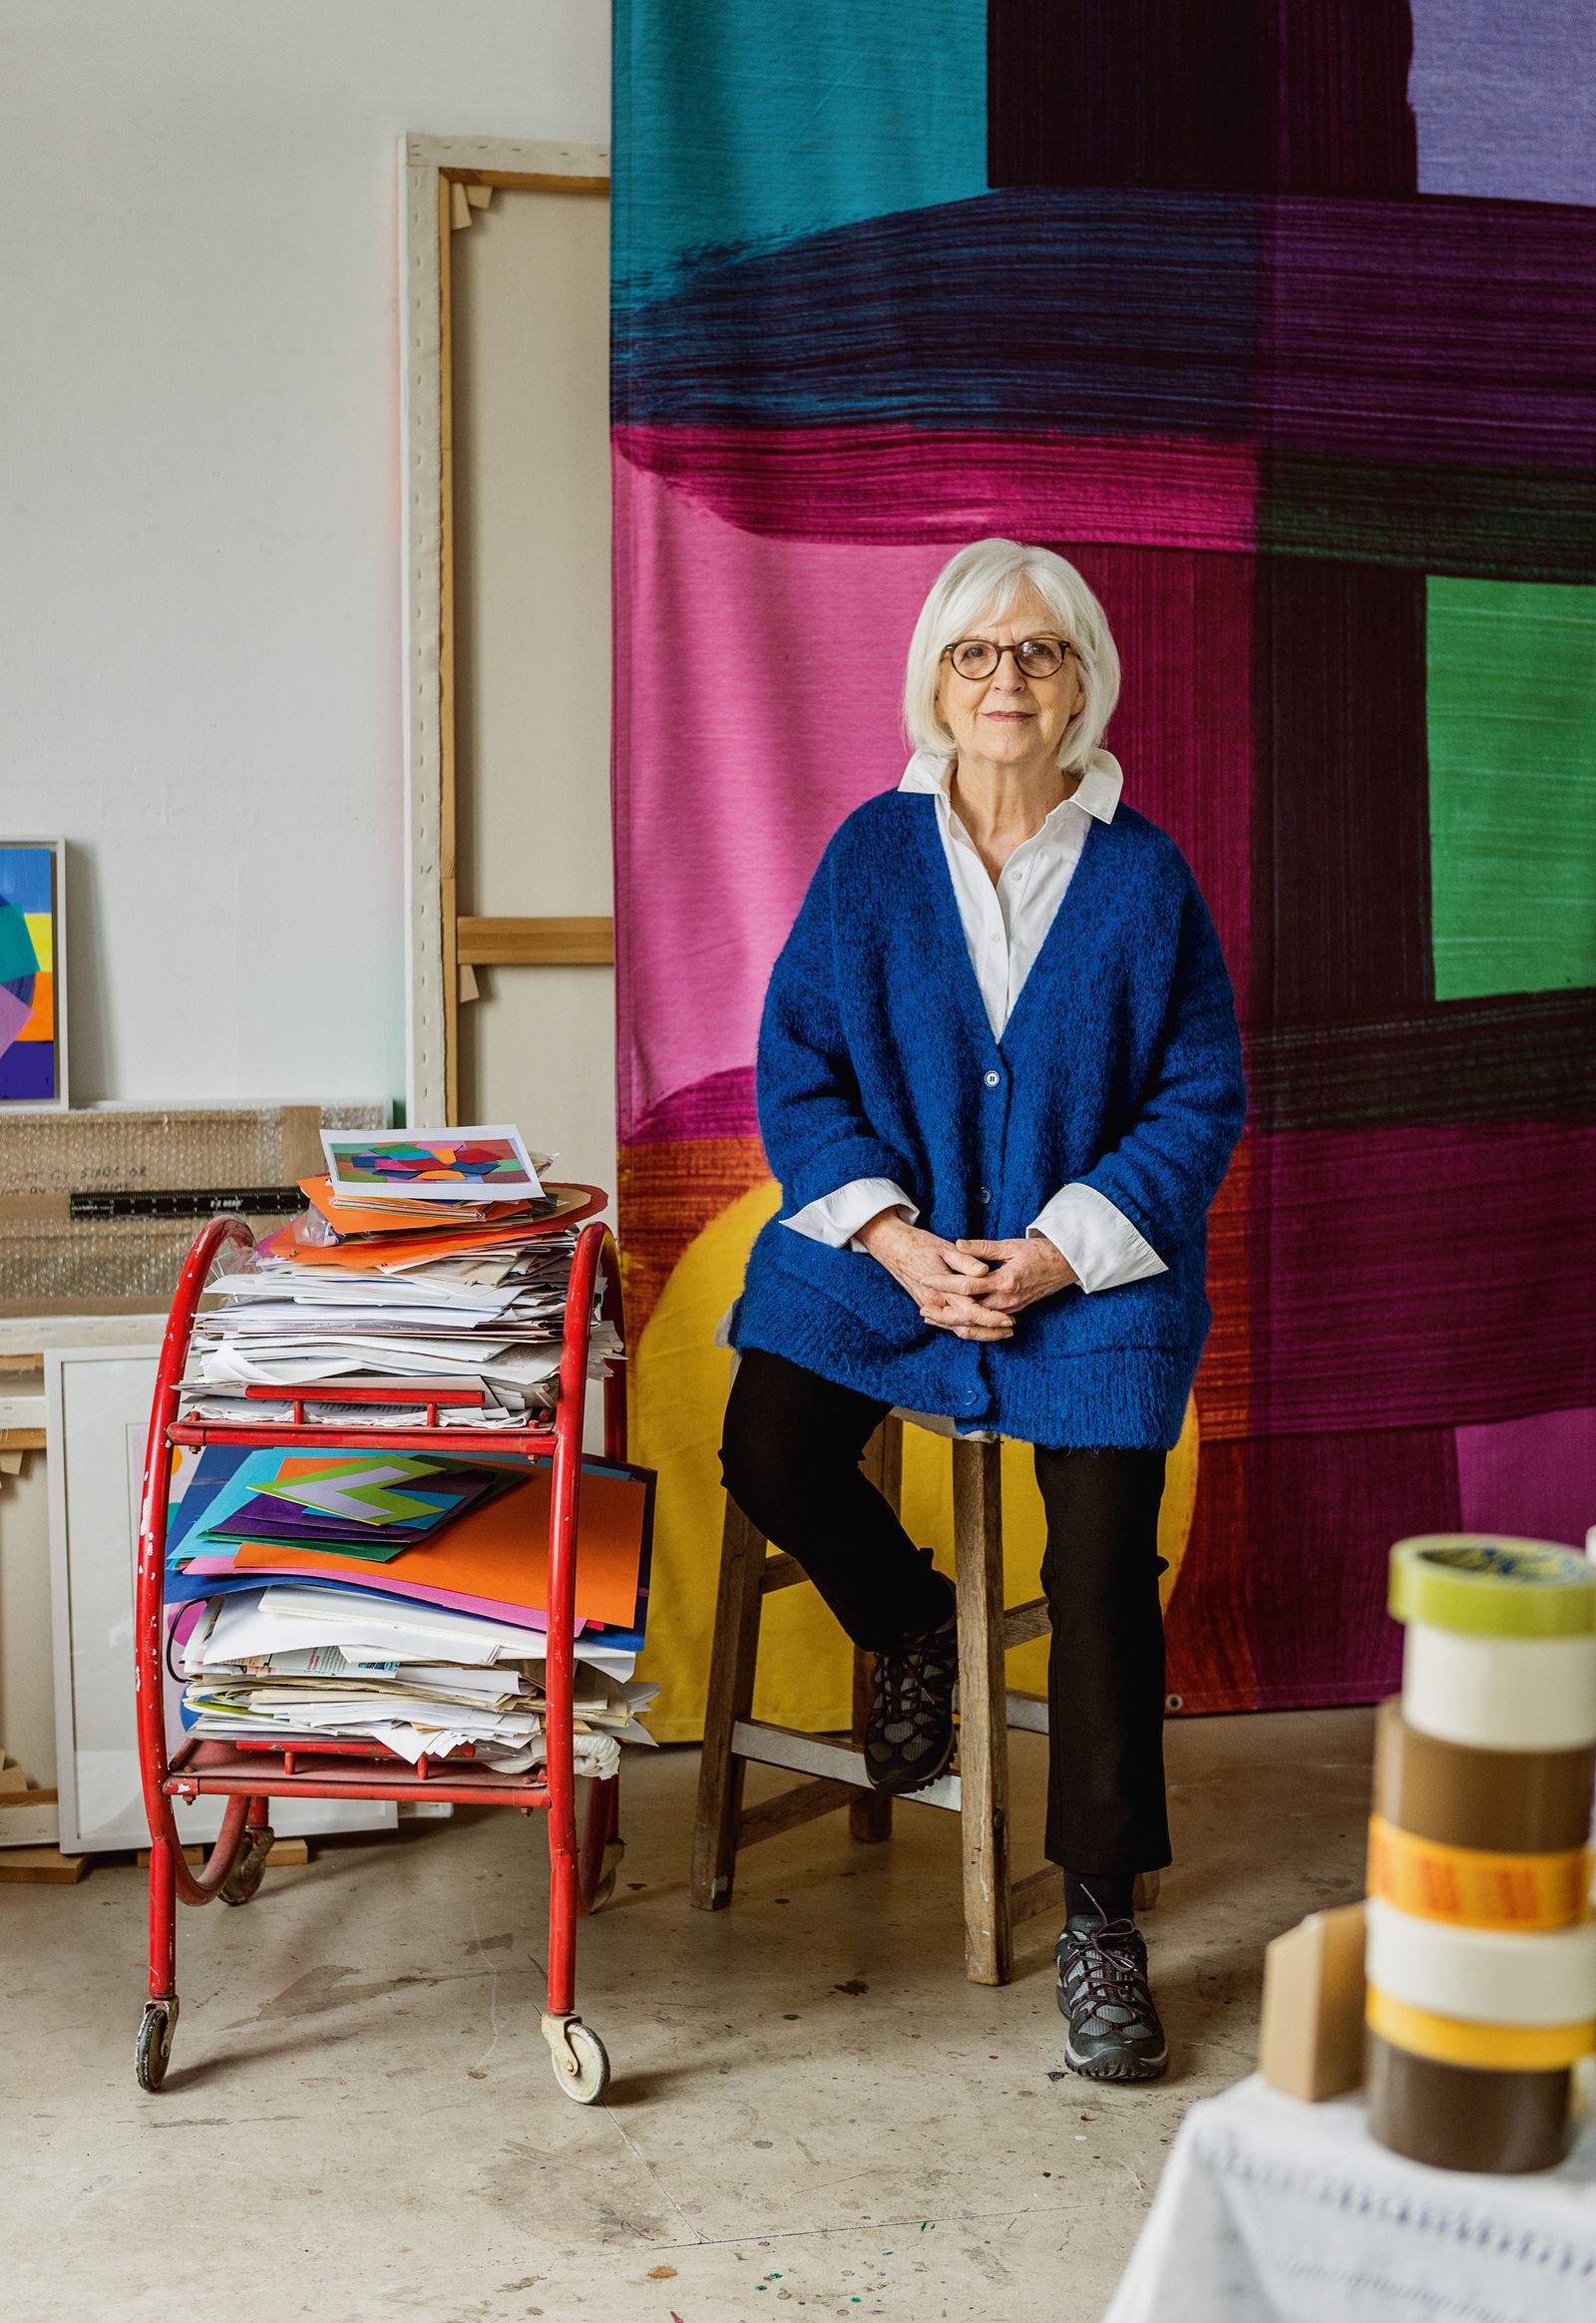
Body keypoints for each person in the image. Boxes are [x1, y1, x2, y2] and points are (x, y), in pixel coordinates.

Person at [718, 537, 1247, 2082]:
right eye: (975, 654)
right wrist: (895, 1237)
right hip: (894, 1245)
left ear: (1084, 681)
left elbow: (1199, 1098)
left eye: (1037, 653)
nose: (1005, 679)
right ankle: (910, 1633)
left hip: (1089, 1278)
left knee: (1095, 1564)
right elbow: (796, 1072)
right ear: (936, 683)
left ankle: (1097, 1916)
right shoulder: (871, 858)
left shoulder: (1145, 876)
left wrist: (1063, 1249)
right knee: (772, 1439)